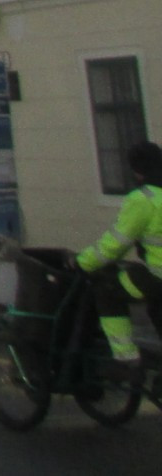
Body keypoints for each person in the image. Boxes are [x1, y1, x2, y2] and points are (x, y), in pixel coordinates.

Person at [80, 139, 162, 382]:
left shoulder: (143, 199)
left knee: (107, 289)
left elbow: (113, 245)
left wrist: (83, 263)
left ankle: (126, 360)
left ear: (137, 171)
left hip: (158, 275)